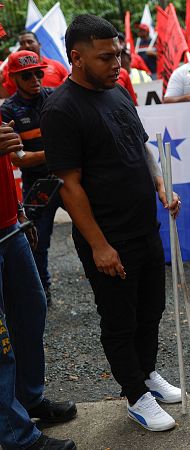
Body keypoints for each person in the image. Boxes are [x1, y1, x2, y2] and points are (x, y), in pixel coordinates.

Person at [41, 14, 183, 432]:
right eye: (106, 57)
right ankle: (136, 396)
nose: (117, 63)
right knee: (119, 317)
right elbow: (70, 186)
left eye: (118, 53)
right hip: (109, 236)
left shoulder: (118, 90)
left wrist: (160, 184)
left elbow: (140, 147)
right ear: (77, 57)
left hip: (145, 225)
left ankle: (146, 374)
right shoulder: (61, 109)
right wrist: (100, 245)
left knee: (151, 308)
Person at [0, 126, 77, 450]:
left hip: (8, 226)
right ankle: (16, 436)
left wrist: (18, 210)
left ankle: (27, 399)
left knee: (31, 309)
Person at [1, 51, 61, 306]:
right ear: (14, 78)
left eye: (39, 73)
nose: (35, 79)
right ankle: (43, 291)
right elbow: (18, 158)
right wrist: (56, 153)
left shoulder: (54, 97)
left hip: (66, 178)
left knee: (92, 227)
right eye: (27, 75)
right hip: (38, 185)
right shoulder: (8, 110)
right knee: (38, 239)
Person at [1, 31, 69, 98]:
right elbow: (5, 95)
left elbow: (69, 87)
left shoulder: (57, 65)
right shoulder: (14, 71)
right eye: (26, 76)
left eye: (39, 74)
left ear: (39, 44)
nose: (26, 46)